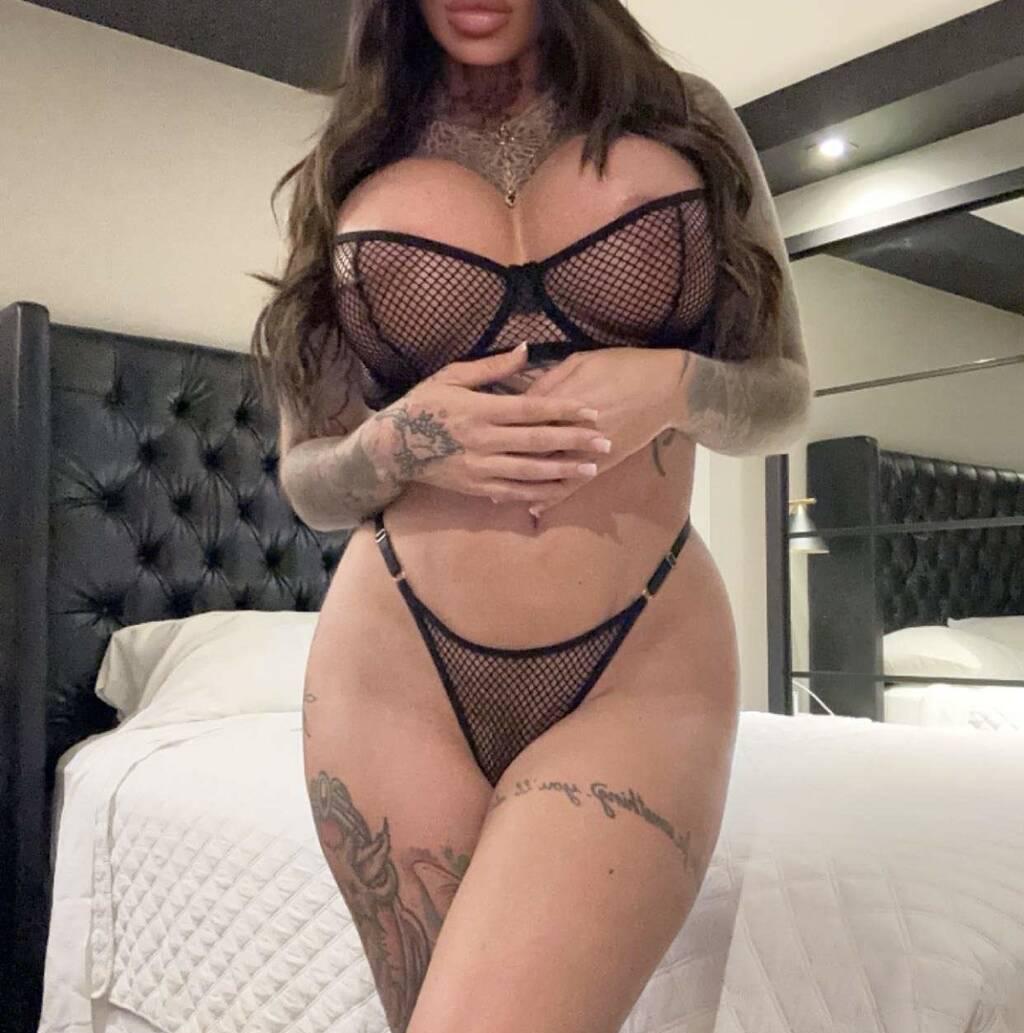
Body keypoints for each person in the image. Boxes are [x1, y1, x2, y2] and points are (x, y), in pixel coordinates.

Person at [250, 2, 810, 1032]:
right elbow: (308, 477)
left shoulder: (683, 116)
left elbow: (784, 395)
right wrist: (399, 441)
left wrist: (674, 385)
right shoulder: (354, 153)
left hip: (638, 655)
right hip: (397, 667)